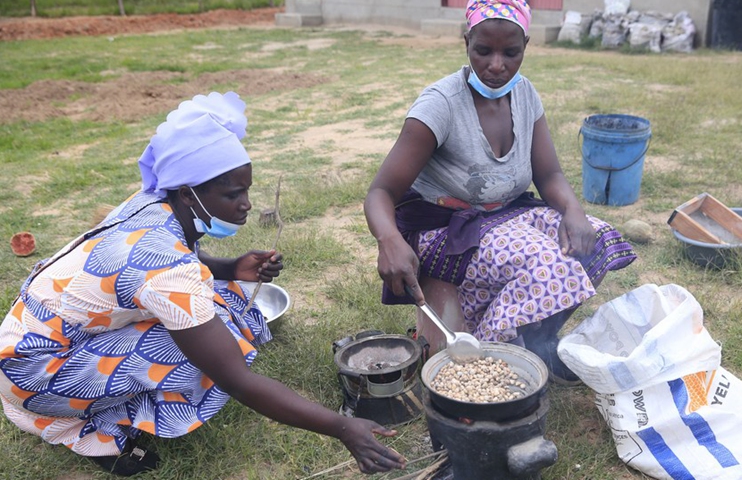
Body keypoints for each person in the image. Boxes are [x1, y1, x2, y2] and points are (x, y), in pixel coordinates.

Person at [0, 92, 406, 477]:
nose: (246, 203)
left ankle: (102, 395)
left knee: (223, 303)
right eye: (234, 193)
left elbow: (171, 266)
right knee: (199, 351)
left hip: (29, 343)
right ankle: (95, 432)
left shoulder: (150, 202)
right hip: (32, 372)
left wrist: (231, 267)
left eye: (246, 188)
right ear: (189, 193)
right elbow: (236, 380)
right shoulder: (168, 268)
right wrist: (342, 427)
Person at [363, 0, 636, 384]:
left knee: (596, 239)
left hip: (505, 214)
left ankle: (535, 342)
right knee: (547, 266)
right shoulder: (440, 104)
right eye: (483, 51)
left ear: (525, 45)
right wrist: (388, 239)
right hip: (445, 229)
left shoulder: (525, 95)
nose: (496, 65)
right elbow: (381, 191)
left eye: (510, 52)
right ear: (466, 43)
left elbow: (550, 173)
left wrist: (573, 210)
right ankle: (483, 361)